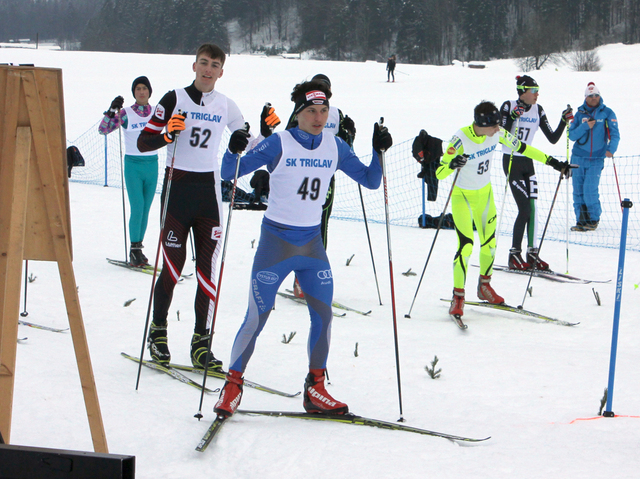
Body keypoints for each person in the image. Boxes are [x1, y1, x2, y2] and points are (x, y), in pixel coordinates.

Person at [213, 79, 391, 418]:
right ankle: (232, 386)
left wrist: (379, 151)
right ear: (298, 114)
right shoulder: (278, 143)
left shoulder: (335, 146)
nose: (319, 117)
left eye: (324, 111)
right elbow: (227, 172)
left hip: (311, 245)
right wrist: (234, 148)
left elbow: (370, 180)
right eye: (311, 111)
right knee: (257, 316)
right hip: (276, 244)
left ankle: (316, 387)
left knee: (323, 316)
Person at [137, 43, 279, 369]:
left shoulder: (226, 105)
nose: (208, 69)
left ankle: (201, 344)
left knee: (206, 273)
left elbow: (250, 142)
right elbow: (145, 141)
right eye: (203, 63)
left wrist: (263, 133)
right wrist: (167, 137)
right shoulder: (174, 98)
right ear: (194, 65)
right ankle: (158, 332)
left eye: (214, 65)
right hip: (176, 193)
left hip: (208, 196)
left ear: (221, 71)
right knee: (172, 268)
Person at [436, 101, 571, 319]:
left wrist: (554, 163)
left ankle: (484, 286)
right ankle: (458, 296)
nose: (499, 129)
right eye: (495, 126)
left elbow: (524, 149)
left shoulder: (498, 134)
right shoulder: (460, 139)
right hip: (463, 198)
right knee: (466, 246)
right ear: (482, 124)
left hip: (485, 196)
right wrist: (452, 164)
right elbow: (439, 173)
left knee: (490, 244)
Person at [285, 73, 356, 298]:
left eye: (325, 91)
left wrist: (349, 133)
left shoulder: (336, 114)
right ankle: (297, 276)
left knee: (321, 226)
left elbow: (345, 150)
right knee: (298, 226)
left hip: (325, 177)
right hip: (299, 175)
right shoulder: (302, 109)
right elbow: (287, 137)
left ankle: (309, 278)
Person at [500, 75, 574, 270]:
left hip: (528, 162)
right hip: (512, 161)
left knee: (532, 210)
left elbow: (552, 137)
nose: (537, 94)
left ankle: (532, 253)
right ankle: (514, 254)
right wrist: (514, 117)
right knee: (523, 209)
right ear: (523, 91)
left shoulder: (538, 109)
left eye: (538, 90)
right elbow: (501, 135)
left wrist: (563, 121)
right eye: (534, 91)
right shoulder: (508, 106)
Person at [99, 76, 158, 266]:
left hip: (152, 164)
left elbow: (174, 126)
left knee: (146, 209)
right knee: (138, 207)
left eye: (144, 89)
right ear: (134, 92)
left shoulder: (157, 112)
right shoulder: (126, 113)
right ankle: (134, 249)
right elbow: (103, 130)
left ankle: (139, 248)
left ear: (149, 91)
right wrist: (110, 112)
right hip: (133, 165)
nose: (141, 92)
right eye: (138, 89)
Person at [569, 82, 620, 231]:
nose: (594, 98)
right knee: (578, 190)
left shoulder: (607, 113)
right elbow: (571, 135)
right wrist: (585, 126)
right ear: (586, 97)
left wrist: (611, 149)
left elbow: (615, 134)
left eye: (596, 95)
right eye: (591, 96)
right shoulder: (579, 114)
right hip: (578, 157)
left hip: (596, 158)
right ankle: (581, 220)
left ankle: (593, 219)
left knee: (590, 189)